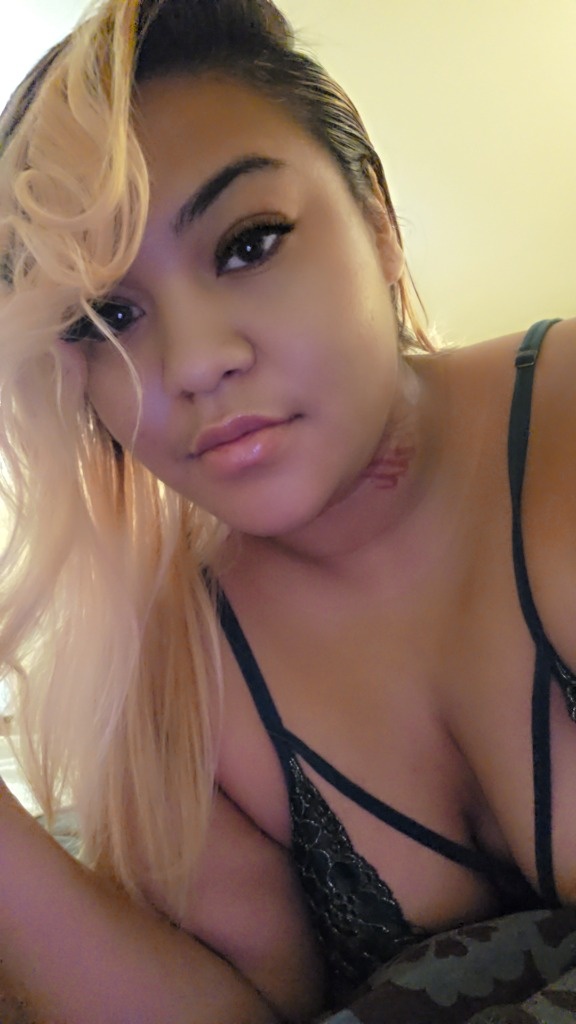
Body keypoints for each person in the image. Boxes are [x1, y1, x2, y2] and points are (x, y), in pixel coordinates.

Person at [0, 0, 575, 1021]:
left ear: (379, 223)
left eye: (249, 243)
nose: (193, 361)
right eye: (107, 316)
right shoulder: (181, 673)